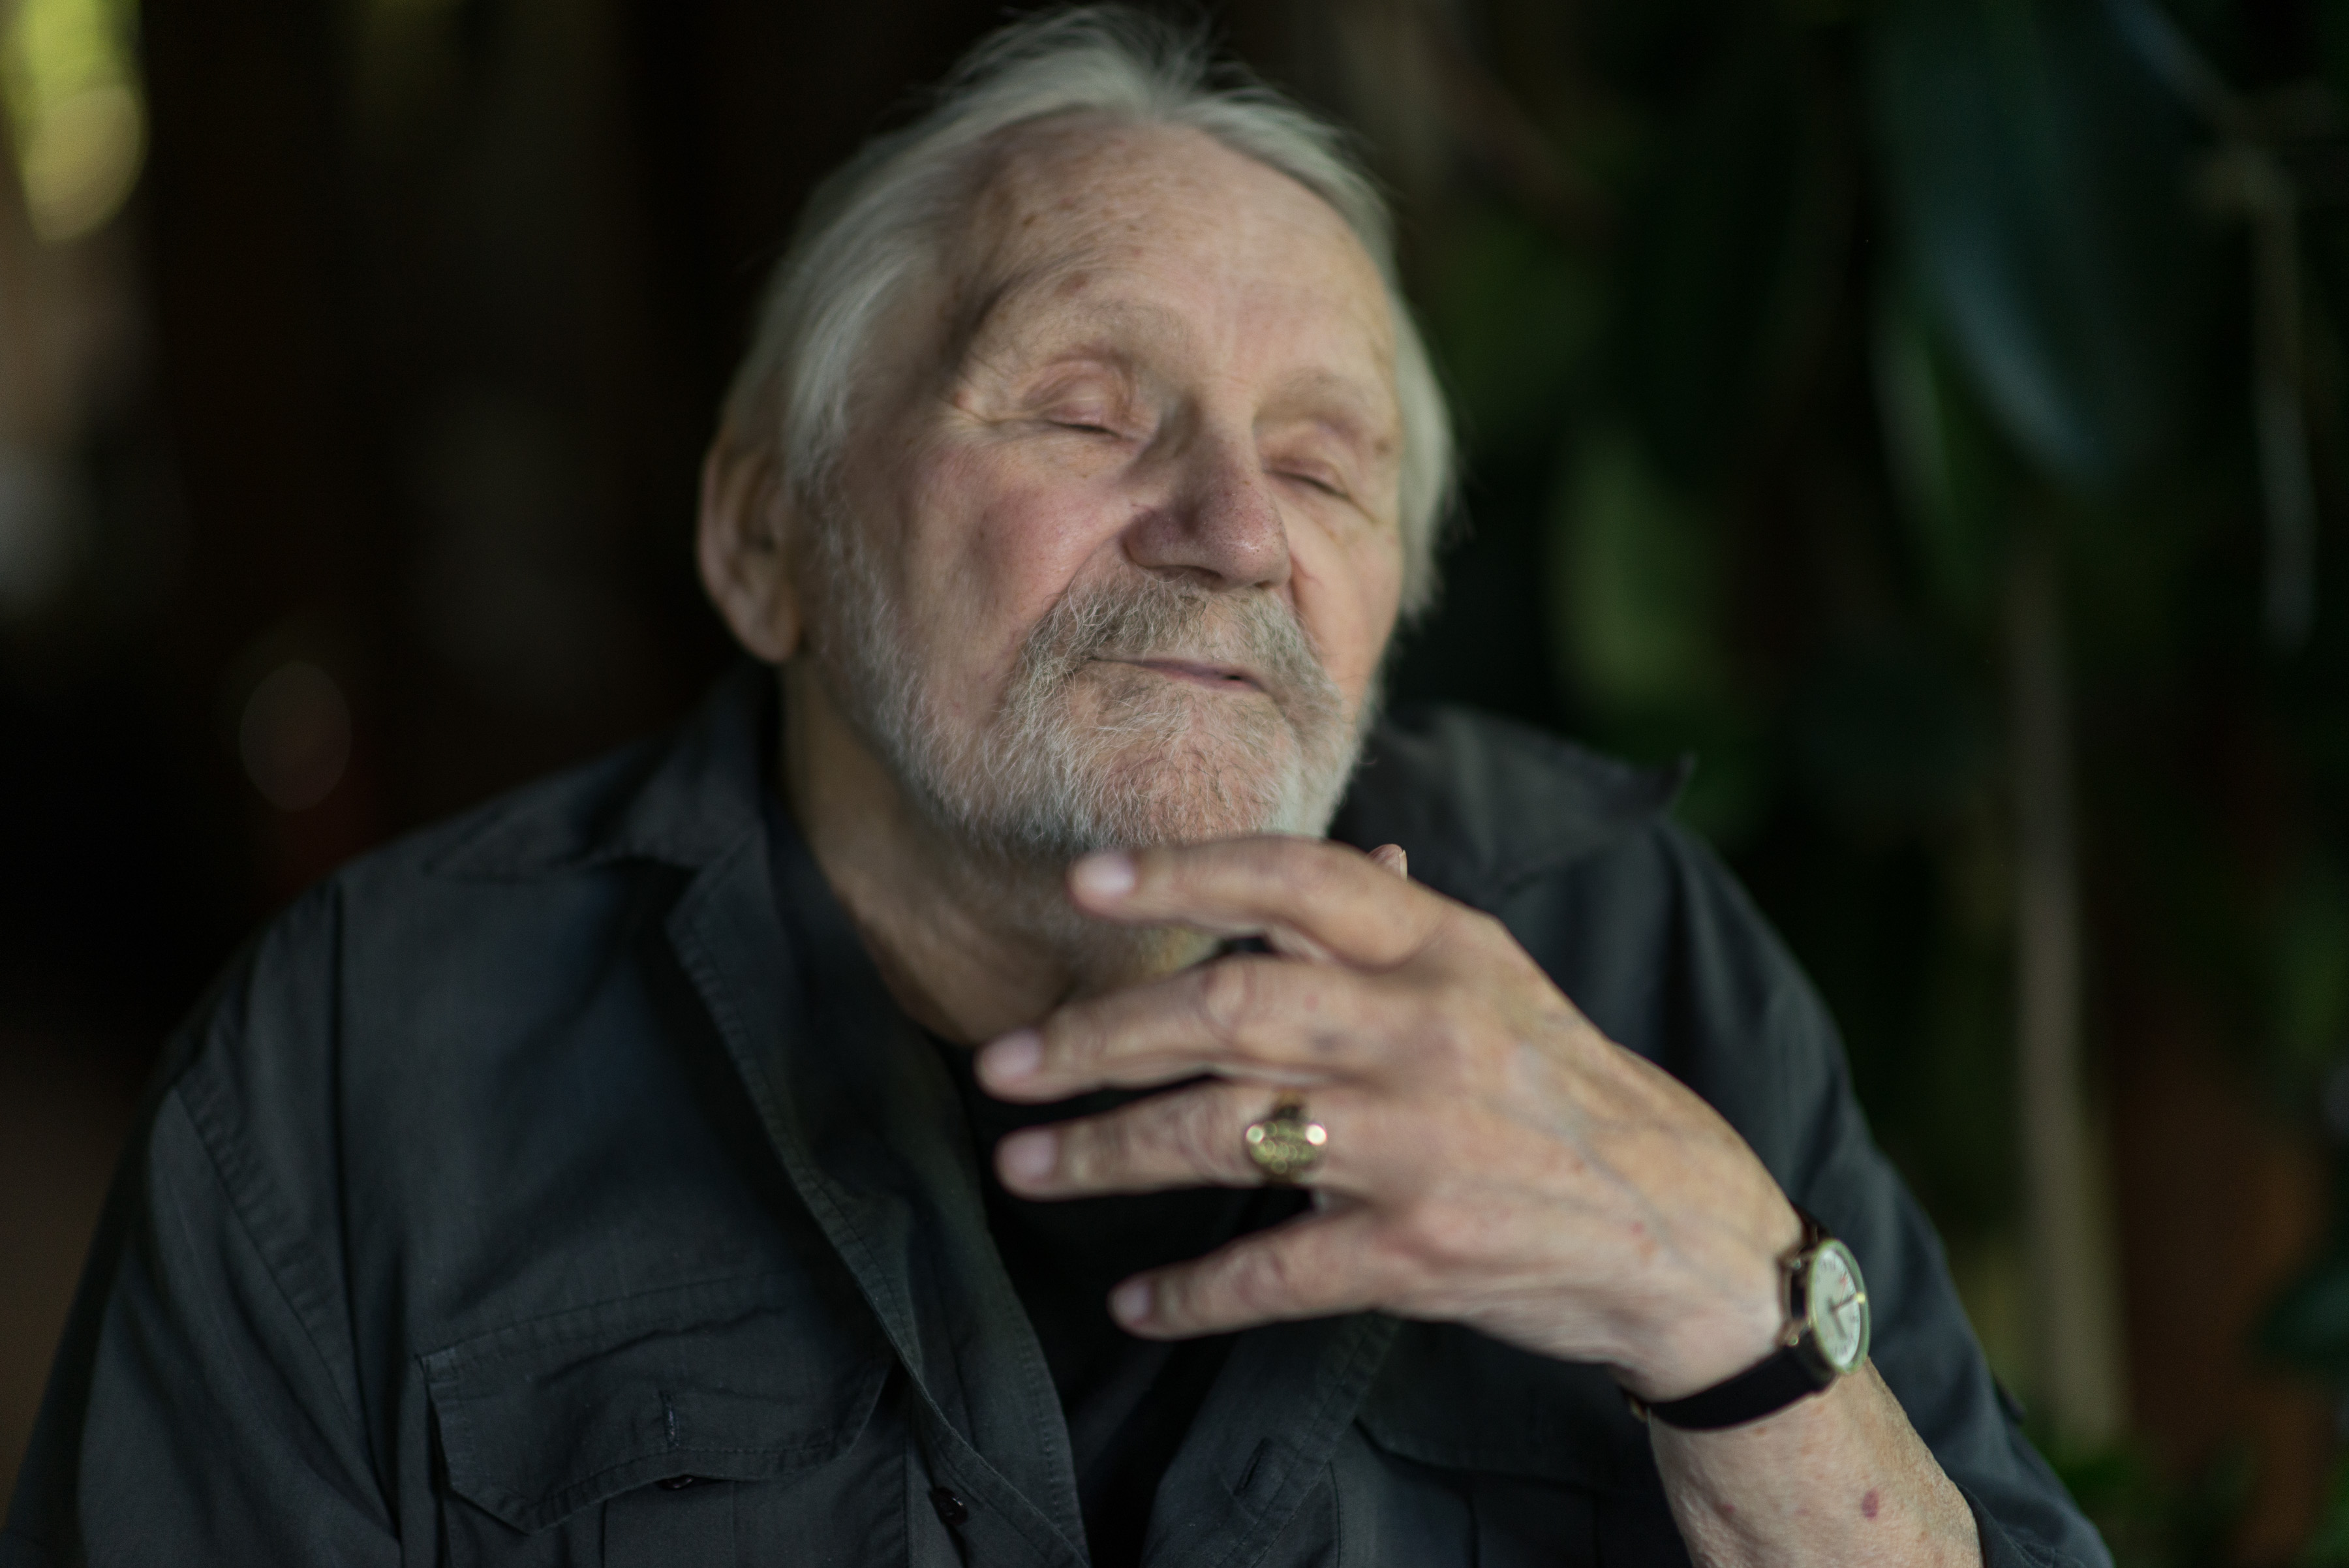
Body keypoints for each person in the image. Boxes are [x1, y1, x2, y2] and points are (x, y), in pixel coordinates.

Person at [3, 10, 2107, 1567]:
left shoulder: (1635, 959)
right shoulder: (360, 1071)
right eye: (1088, 409)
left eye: (1324, 464)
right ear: (764, 538)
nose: (1233, 528)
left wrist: (1733, 1309)